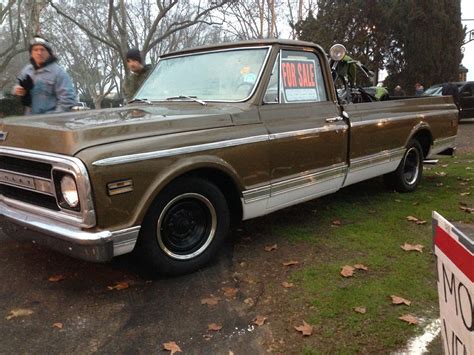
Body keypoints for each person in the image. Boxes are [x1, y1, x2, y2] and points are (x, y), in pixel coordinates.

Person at [13, 36, 76, 115]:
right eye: (35, 50)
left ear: (49, 53)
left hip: (50, 122)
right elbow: (16, 85)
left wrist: (55, 118)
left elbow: (68, 99)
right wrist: (18, 90)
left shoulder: (59, 72)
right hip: (29, 119)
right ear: (31, 53)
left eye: (42, 50)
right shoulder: (26, 70)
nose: (39, 53)